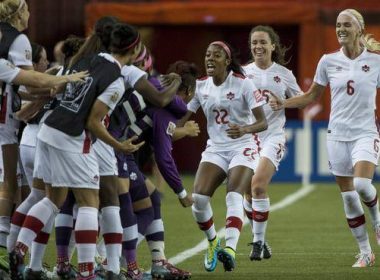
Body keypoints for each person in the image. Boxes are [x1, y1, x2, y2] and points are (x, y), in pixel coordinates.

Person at [8, 22, 143, 280]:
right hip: (71, 137)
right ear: (134, 50)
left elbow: (58, 87)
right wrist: (120, 145)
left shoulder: (86, 58)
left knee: (52, 199)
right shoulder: (116, 80)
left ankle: (20, 250)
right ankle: (86, 272)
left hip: (48, 130)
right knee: (90, 203)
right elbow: (93, 121)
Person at [269, 9, 380, 268]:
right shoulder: (328, 61)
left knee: (363, 185)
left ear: (359, 29)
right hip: (337, 135)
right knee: (349, 197)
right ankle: (365, 252)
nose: (340, 29)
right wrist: (283, 102)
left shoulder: (376, 61)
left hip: (365, 133)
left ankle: (377, 221)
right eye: (338, 25)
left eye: (346, 25)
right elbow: (311, 96)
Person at [182, 41, 267, 272]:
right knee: (198, 201)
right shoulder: (201, 86)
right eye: (207, 54)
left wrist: (245, 129)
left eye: (216, 55)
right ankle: (212, 242)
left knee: (233, 195)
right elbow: (183, 117)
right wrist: (167, 128)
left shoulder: (243, 84)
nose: (210, 59)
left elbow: (262, 122)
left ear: (227, 61)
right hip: (216, 148)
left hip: (243, 145)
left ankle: (229, 249)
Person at [242, 25, 302, 261]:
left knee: (257, 185)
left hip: (273, 135)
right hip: (248, 137)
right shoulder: (242, 72)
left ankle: (256, 244)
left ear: (272, 45)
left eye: (262, 42)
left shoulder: (284, 74)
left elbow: (301, 99)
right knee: (247, 193)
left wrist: (284, 104)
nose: (258, 46)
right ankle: (262, 241)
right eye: (254, 42)